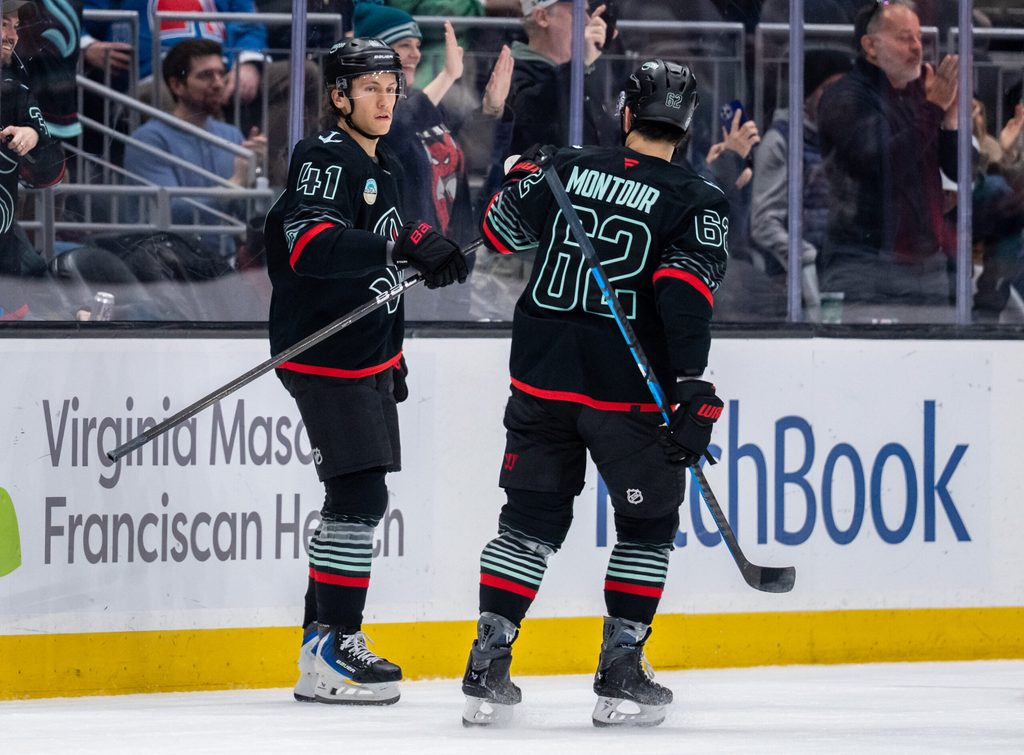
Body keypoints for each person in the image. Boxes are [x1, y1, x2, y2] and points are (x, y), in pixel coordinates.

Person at [461, 58, 728, 728]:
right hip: (627, 394)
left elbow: (497, 233)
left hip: (541, 380)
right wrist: (692, 384)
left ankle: (488, 659)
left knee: (528, 522)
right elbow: (682, 293)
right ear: (687, 126)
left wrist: (521, 176)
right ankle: (621, 667)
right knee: (646, 526)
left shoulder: (566, 166)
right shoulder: (698, 200)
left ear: (627, 113)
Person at [264, 37, 467, 706]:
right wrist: (401, 239)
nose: (385, 98)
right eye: (369, 87)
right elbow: (311, 245)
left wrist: (395, 348)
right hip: (323, 351)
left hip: (367, 353)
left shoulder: (388, 163)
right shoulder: (323, 156)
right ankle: (335, 643)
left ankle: (318, 645)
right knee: (358, 495)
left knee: (355, 496)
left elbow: (388, 274)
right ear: (339, 96)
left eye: (391, 86)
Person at [816, 1, 962, 316]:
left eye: (919, 38)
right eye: (904, 38)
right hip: (865, 264)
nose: (917, 47)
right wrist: (934, 109)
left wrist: (950, 120)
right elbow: (880, 162)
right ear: (870, 46)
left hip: (927, 267)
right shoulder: (845, 97)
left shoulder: (921, 97)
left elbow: (961, 171)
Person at [354, 2, 514, 245]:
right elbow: (394, 134)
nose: (416, 55)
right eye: (404, 45)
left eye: (418, 46)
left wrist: (491, 109)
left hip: (447, 256)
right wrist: (447, 76)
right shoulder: (361, 111)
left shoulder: (428, 103)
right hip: (400, 258)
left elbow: (472, 157)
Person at [122, 38, 267, 257]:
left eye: (221, 73)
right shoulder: (148, 140)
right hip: (167, 263)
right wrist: (236, 183)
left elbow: (242, 213)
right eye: (206, 75)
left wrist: (255, 173)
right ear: (176, 85)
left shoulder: (230, 134)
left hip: (222, 260)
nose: (218, 83)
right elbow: (169, 212)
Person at [750, 48, 853, 319]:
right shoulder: (781, 142)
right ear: (807, 94)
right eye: (829, 89)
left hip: (842, 271)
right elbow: (764, 223)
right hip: (791, 282)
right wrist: (804, 259)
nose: (839, 98)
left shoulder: (850, 140)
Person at [1, 0, 65, 276]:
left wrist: (33, 136)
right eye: (3, 24)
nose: (12, 36)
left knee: (42, 284)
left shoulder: (15, 92)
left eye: (15, 26)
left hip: (6, 258)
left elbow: (53, 172)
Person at [507, 0, 617, 153]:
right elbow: (531, 123)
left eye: (586, 13)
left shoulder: (588, 68)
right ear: (542, 17)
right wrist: (578, 64)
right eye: (576, 13)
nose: (587, 21)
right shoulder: (509, 69)